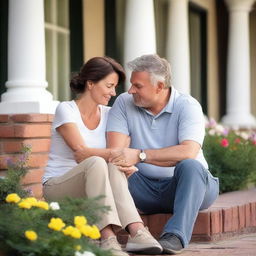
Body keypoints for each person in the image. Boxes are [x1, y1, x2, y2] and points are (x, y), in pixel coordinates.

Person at [42, 56, 162, 256]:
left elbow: (121, 152)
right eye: (109, 86)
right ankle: (106, 238)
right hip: (58, 186)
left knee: (111, 164)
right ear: (90, 83)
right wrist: (121, 154)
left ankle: (137, 231)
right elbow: (81, 153)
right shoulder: (66, 109)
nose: (113, 93)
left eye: (115, 87)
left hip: (95, 186)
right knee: (97, 162)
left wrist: (123, 160)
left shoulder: (110, 114)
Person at [106, 54, 219, 255]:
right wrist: (126, 159)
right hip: (141, 186)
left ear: (159, 86)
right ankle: (138, 235)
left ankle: (175, 237)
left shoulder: (188, 106)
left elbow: (188, 152)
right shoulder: (124, 103)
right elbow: (117, 153)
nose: (130, 90)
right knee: (111, 168)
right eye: (131, 84)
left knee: (190, 165)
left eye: (137, 86)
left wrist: (140, 155)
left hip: (191, 186)